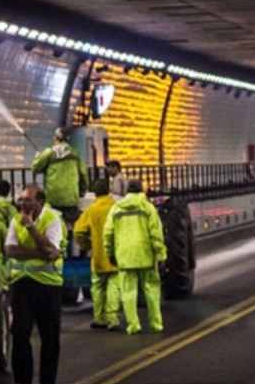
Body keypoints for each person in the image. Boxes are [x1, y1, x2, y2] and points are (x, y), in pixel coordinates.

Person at [4, 184, 65, 384]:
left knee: (49, 335)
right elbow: (10, 250)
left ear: (40, 202)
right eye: (22, 199)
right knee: (19, 331)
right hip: (22, 283)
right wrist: (38, 253)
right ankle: (23, 382)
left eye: (28, 200)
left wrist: (31, 227)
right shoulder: (16, 221)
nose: (24, 203)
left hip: (48, 285)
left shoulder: (52, 220)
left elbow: (52, 249)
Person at [104, 180, 167, 335]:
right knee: (151, 290)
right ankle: (156, 324)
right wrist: (161, 254)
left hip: (125, 256)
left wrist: (110, 253)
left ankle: (133, 325)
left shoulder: (116, 208)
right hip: (146, 256)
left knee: (128, 292)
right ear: (142, 191)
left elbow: (108, 233)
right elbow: (156, 234)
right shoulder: (148, 207)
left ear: (127, 191)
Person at [73, 179, 120, 330]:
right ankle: (112, 319)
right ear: (108, 191)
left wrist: (88, 245)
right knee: (113, 287)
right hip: (115, 256)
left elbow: (78, 232)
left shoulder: (91, 210)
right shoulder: (116, 207)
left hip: (98, 257)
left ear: (95, 193)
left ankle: (99, 318)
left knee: (98, 288)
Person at [32, 127, 89, 225]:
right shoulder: (75, 152)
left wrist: (37, 157)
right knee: (70, 226)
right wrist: (82, 191)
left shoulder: (50, 152)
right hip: (71, 199)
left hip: (53, 200)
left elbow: (36, 168)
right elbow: (83, 174)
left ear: (56, 138)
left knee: (54, 226)